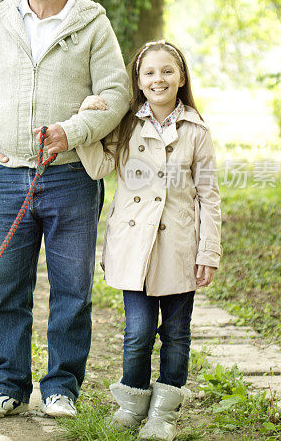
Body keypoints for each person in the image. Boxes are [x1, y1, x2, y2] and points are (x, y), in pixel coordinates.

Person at [0, 0, 130, 419]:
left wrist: (71, 132)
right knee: (4, 288)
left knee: (72, 290)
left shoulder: (93, 23)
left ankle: (61, 388)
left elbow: (117, 94)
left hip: (72, 175)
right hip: (6, 174)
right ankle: (6, 384)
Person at [76, 40, 222, 441]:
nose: (159, 79)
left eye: (167, 71)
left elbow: (208, 196)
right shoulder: (126, 124)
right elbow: (100, 167)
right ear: (137, 81)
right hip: (134, 245)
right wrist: (85, 123)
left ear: (182, 77)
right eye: (149, 73)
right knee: (138, 331)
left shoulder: (196, 130)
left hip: (179, 246)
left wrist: (208, 250)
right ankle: (131, 403)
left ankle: (164, 414)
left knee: (176, 333)